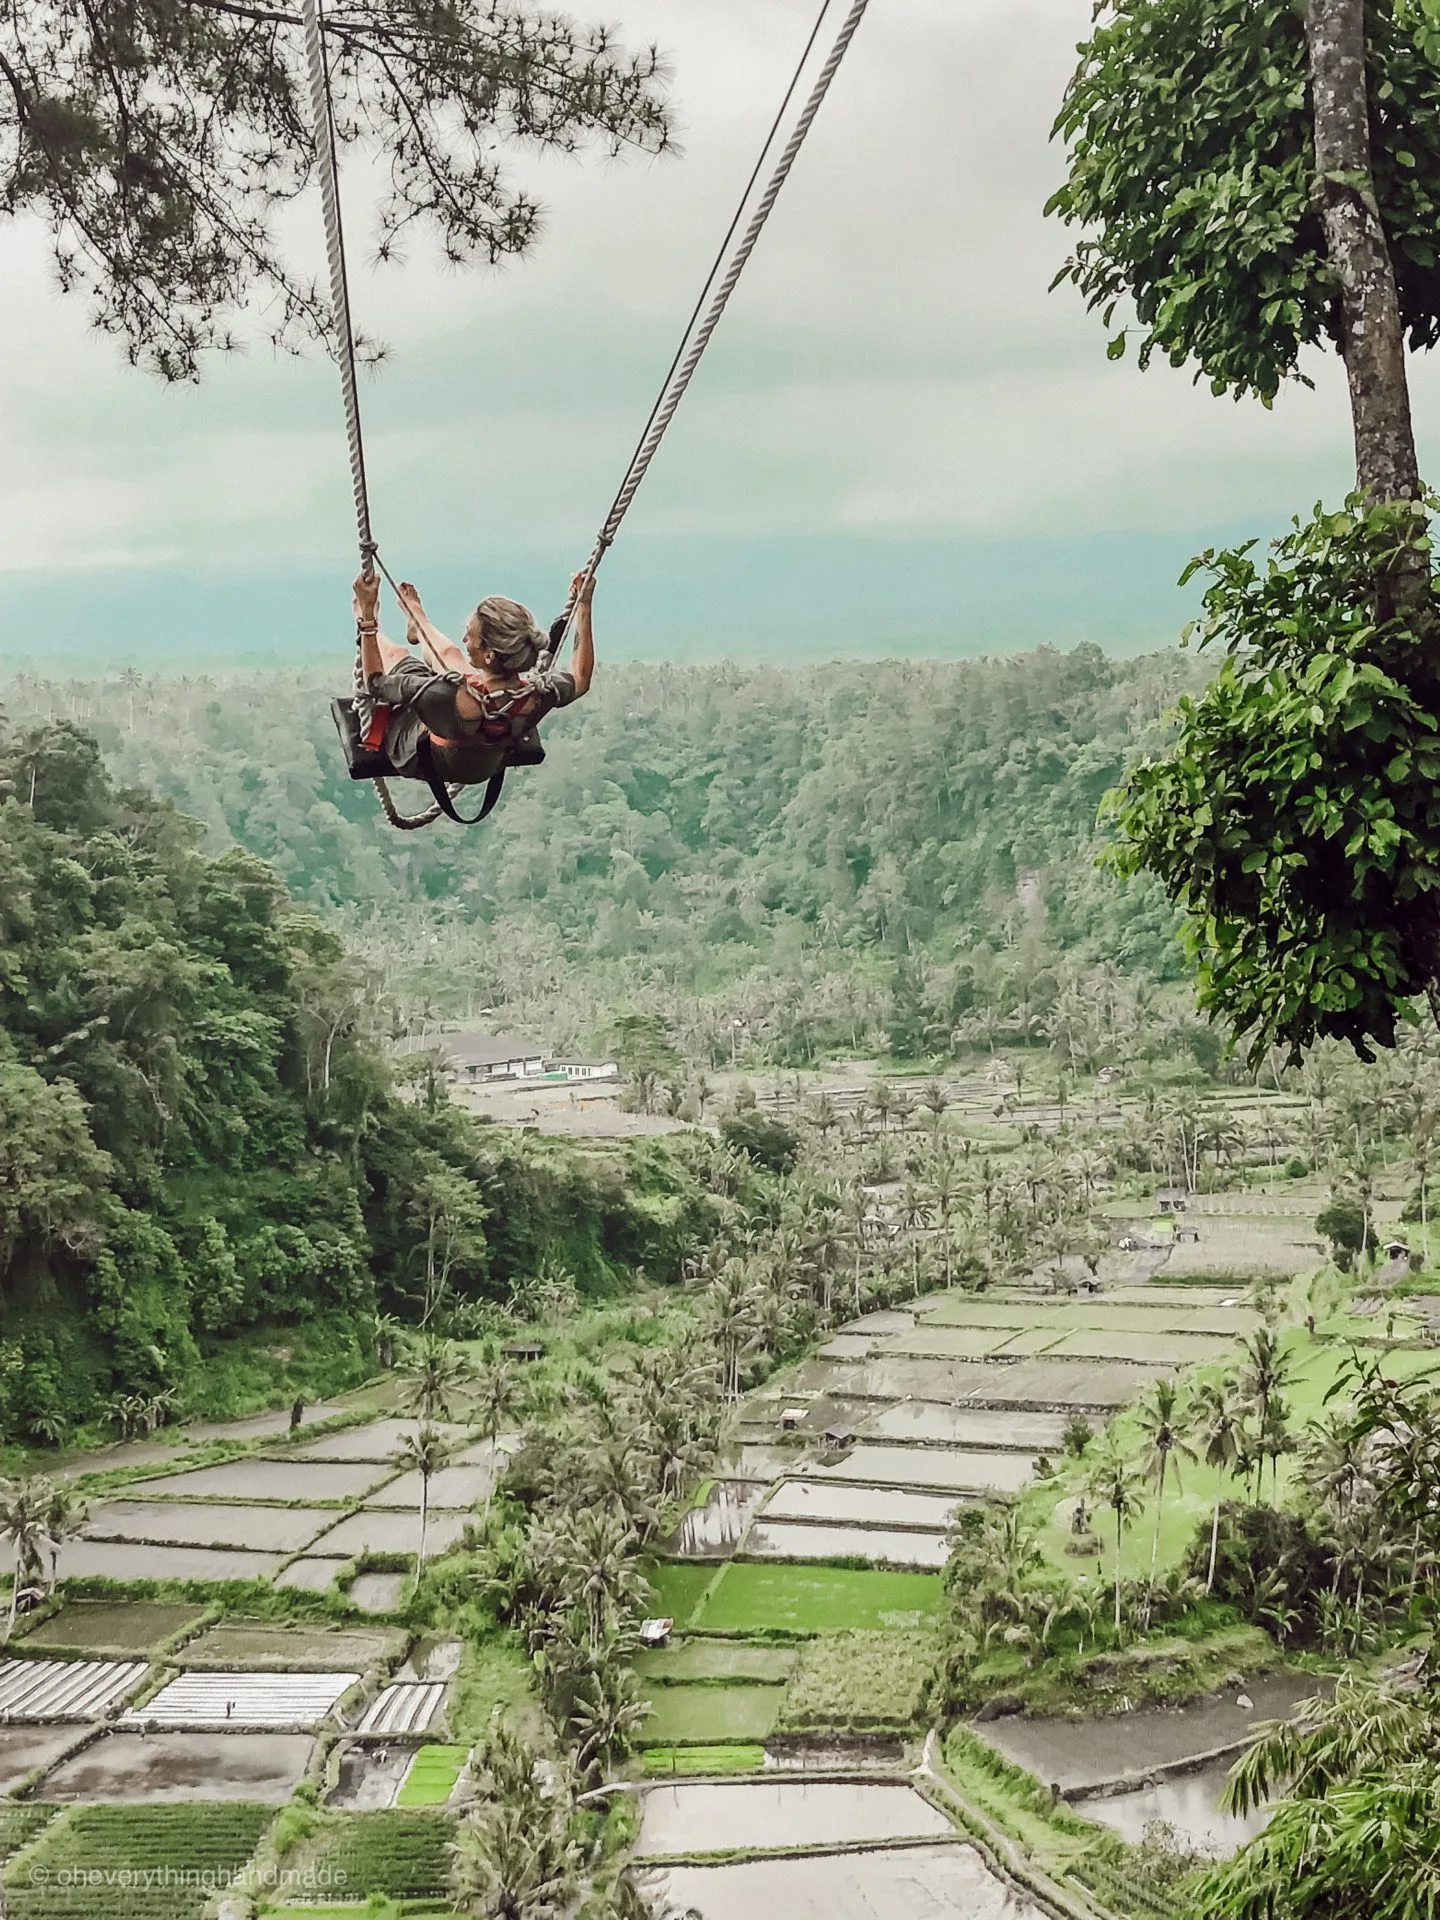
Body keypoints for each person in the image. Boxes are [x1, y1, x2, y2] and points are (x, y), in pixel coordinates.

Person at [351, 569, 595, 790]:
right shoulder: (537, 695)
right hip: (487, 762)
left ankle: (409, 626)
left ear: (489, 654)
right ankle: (418, 622)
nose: (465, 641)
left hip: (424, 753)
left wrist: (367, 617)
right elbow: (581, 678)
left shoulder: (442, 694)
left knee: (398, 655)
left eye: (470, 636)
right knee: (452, 657)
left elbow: (375, 683)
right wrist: (584, 606)